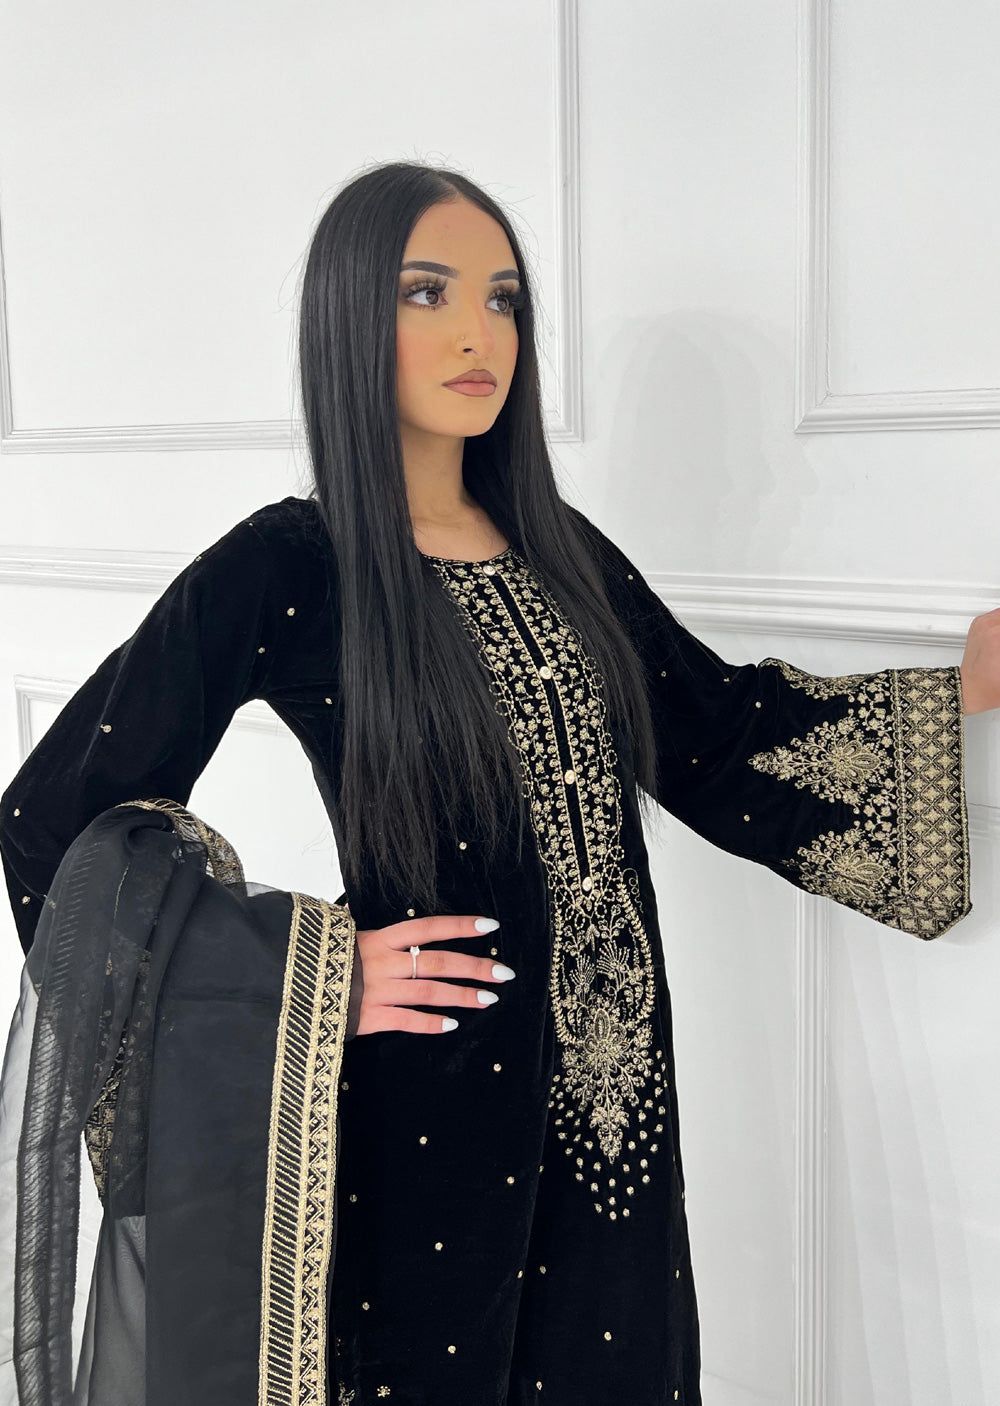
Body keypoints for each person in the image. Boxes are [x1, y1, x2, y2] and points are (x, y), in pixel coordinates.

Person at [0, 160, 991, 1406]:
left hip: (615, 1105)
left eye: (504, 298)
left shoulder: (561, 553)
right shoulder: (289, 564)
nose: (479, 333)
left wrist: (959, 690)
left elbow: (714, 736)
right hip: (429, 1102)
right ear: (348, 316)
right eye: (427, 292)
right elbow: (52, 819)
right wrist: (308, 978)